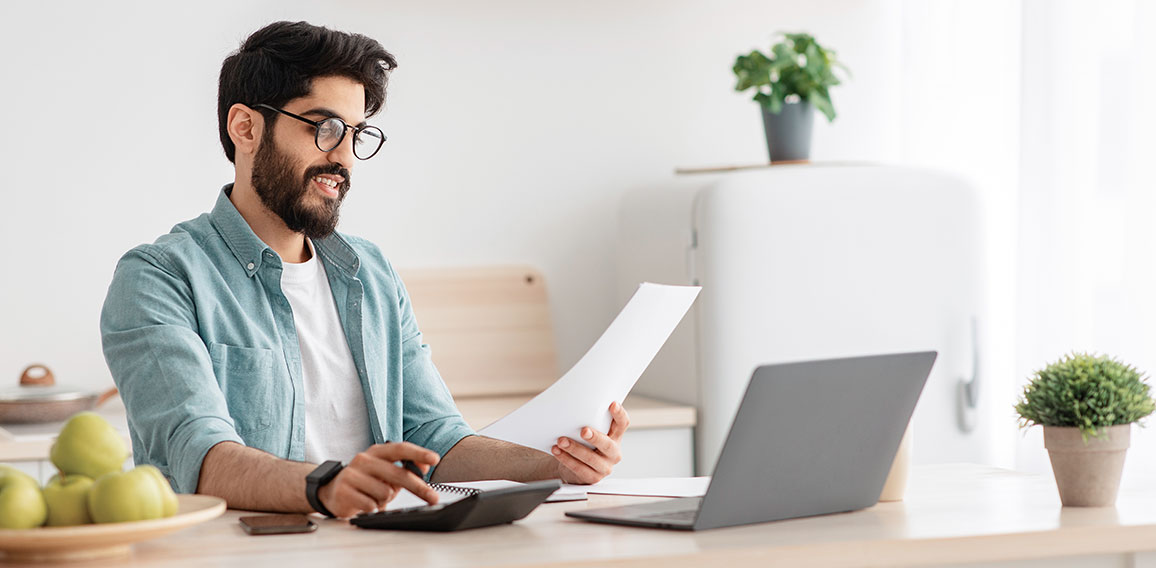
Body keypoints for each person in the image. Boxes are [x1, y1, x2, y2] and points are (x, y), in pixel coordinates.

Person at [99, 20, 629, 519]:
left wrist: (554, 465)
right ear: (246, 128)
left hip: (375, 544)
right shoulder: (159, 278)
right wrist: (326, 485)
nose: (345, 157)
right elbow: (201, 456)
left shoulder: (368, 271)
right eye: (326, 127)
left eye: (357, 134)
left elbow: (434, 437)